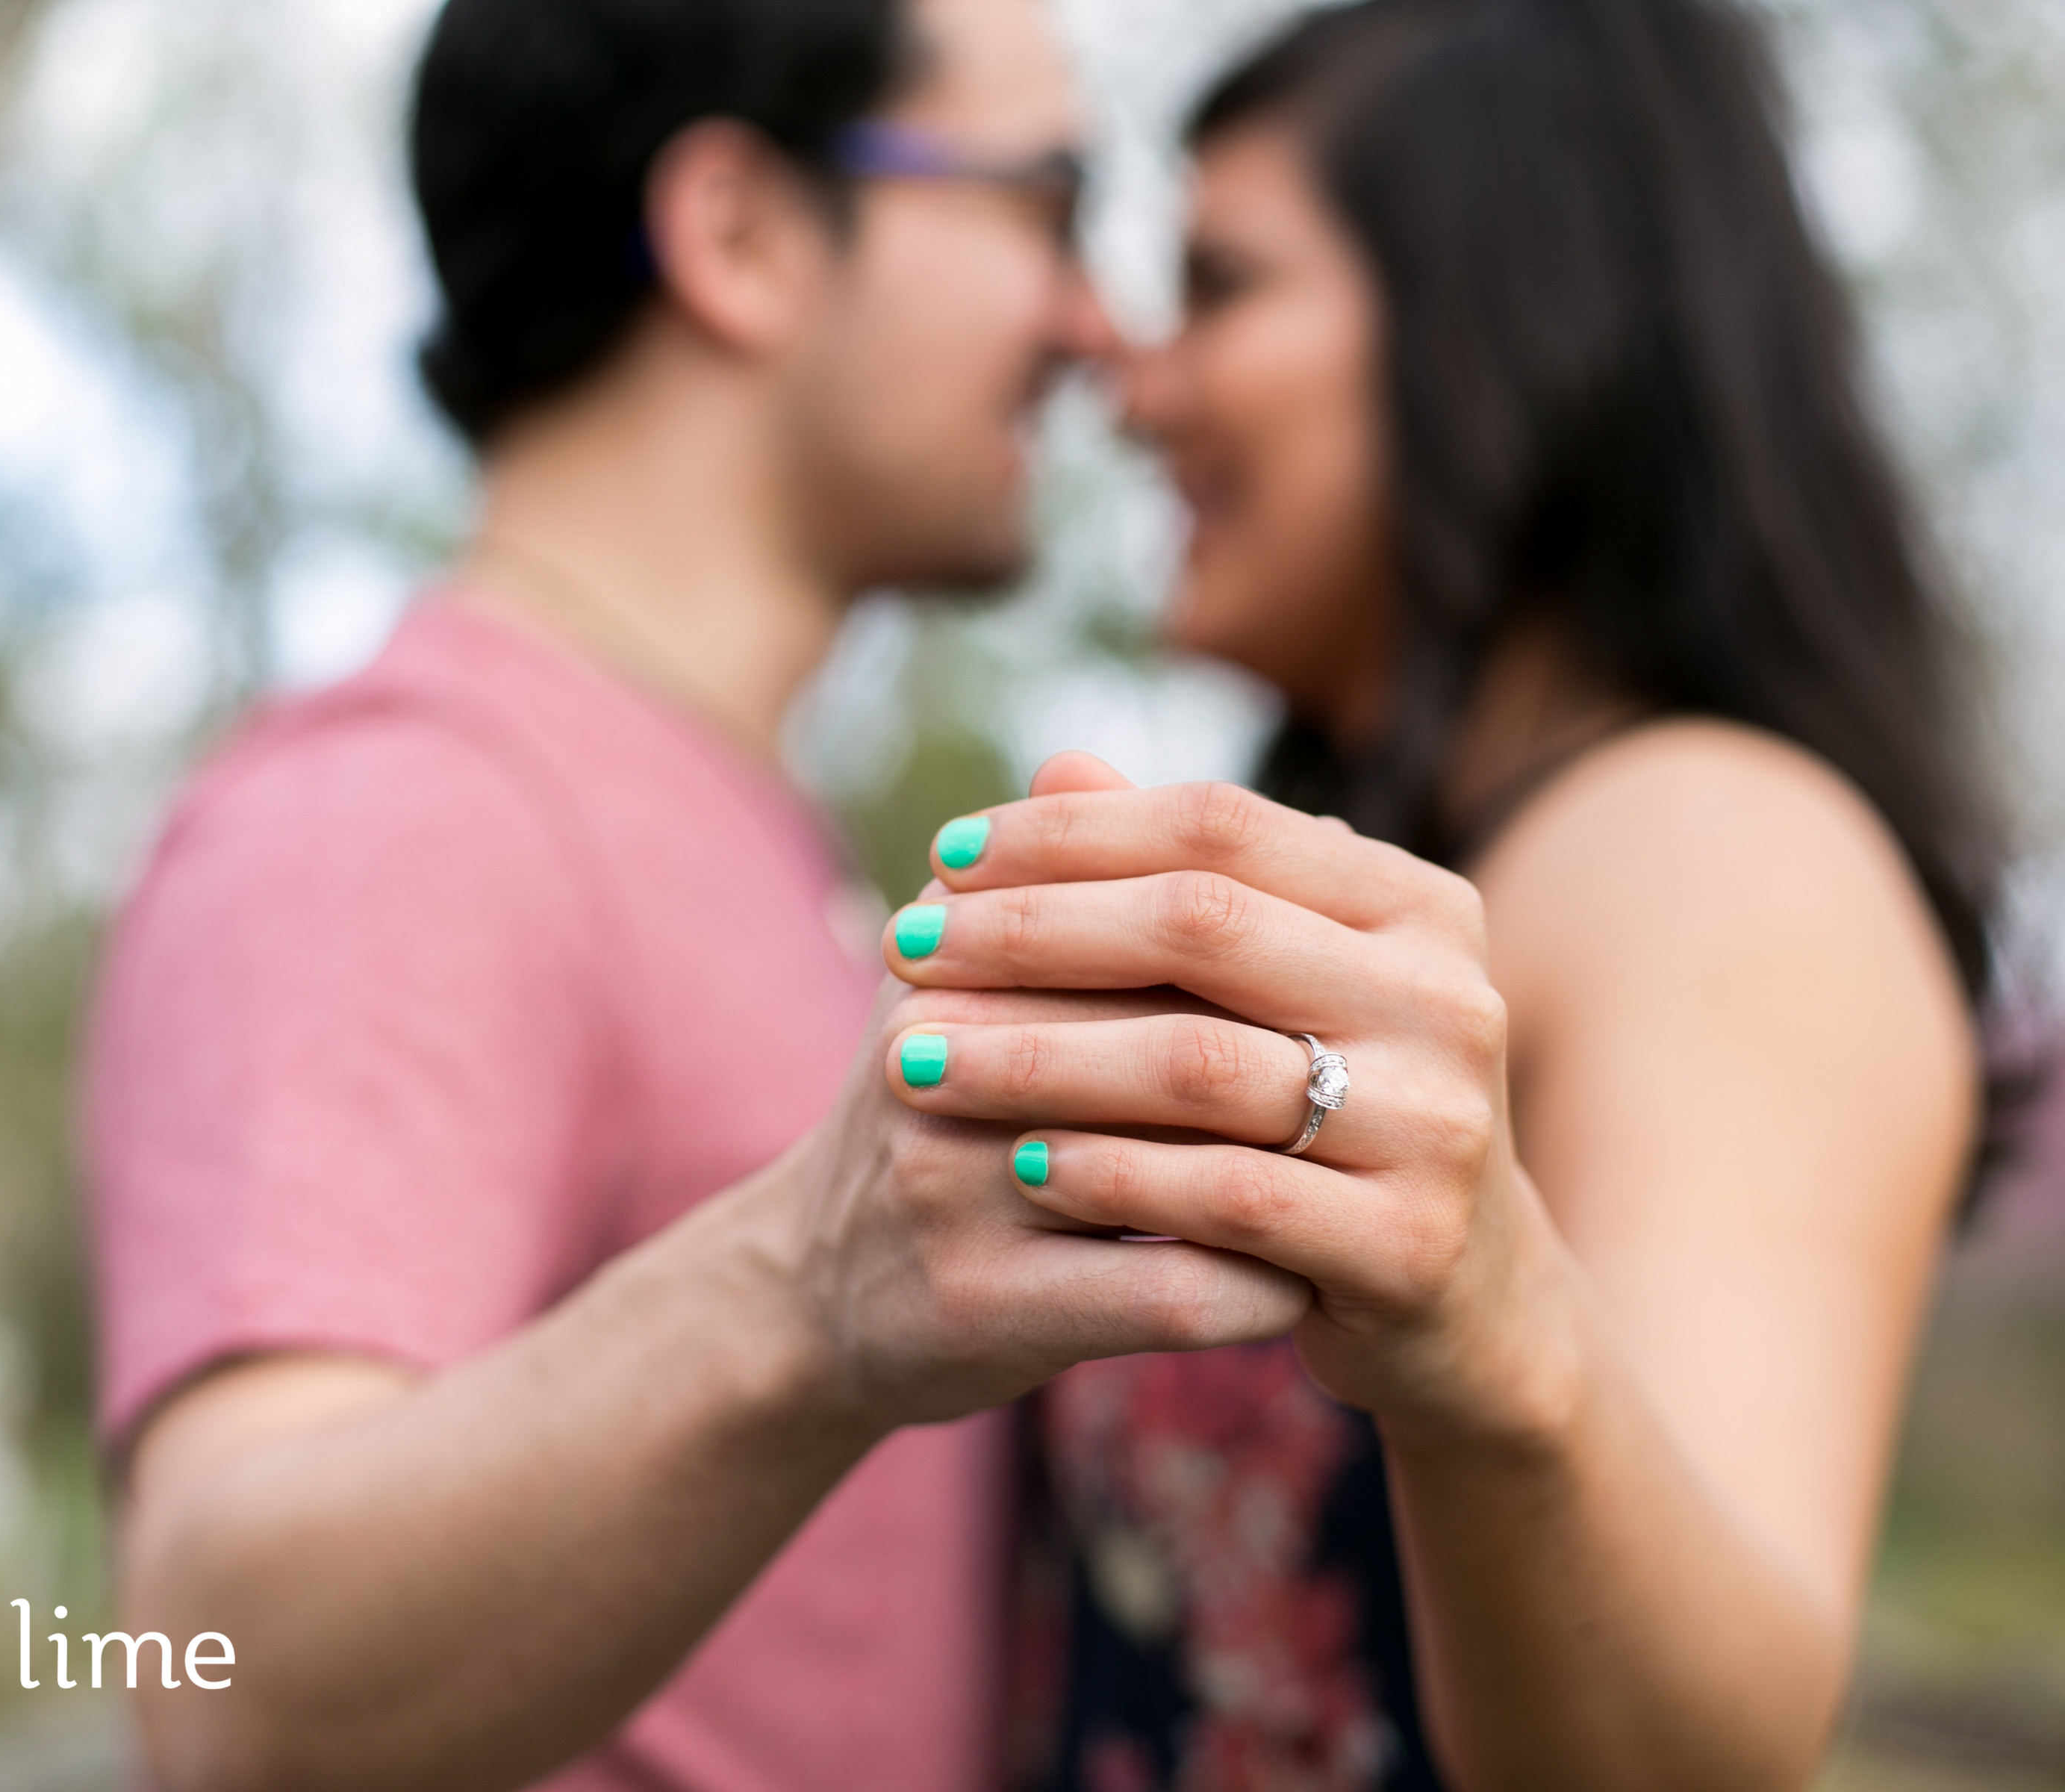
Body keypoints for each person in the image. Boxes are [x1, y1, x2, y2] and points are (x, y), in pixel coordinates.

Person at [88, 2, 1314, 1788]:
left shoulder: (707, 818)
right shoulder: (411, 812)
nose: (1096, 324)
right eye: (1044, 202)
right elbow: (227, 1686)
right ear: (738, 236)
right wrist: (807, 1290)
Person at [879, 0, 2004, 1785]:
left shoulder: (1716, 851)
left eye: (1225, 286)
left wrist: (1487, 1325)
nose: (1137, 382)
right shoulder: (1449, 861)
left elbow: (1693, 1756)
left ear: (1508, 316)